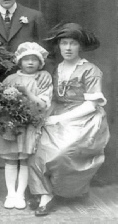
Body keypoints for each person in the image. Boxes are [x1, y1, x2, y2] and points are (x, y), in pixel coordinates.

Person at [28, 23, 110, 216]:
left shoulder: (90, 70)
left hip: (84, 118)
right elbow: (54, 96)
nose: (68, 48)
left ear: (80, 46)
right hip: (58, 113)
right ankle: (44, 195)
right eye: (64, 43)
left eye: (73, 43)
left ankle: (66, 191)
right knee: (36, 149)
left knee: (62, 153)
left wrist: (59, 119)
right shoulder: (57, 68)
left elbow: (91, 105)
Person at [0, 0, 50, 198]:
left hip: (28, 83)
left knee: (30, 133)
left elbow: (46, 49)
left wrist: (44, 72)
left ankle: (31, 186)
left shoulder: (33, 16)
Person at [0, 42, 52, 209]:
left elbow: (42, 105)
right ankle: (10, 193)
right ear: (19, 62)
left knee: (25, 160)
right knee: (10, 159)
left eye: (35, 60)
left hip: (30, 125)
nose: (30, 63)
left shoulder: (42, 80)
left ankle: (20, 194)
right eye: (26, 59)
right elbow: (0, 100)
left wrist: (27, 93)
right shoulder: (11, 79)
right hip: (12, 125)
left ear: (40, 63)